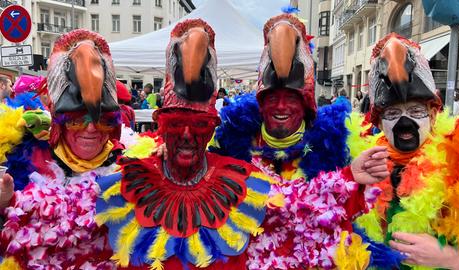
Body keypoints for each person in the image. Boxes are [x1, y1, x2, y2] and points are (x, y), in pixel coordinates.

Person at [209, 14, 391, 269]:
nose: (281, 106)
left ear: (306, 104)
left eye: (291, 98)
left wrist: (351, 178)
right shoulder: (233, 142)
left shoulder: (336, 144)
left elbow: (338, 218)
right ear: (260, 104)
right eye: (272, 97)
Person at [96, 18, 271, 269]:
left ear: (211, 128)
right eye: (177, 123)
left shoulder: (246, 184)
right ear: (162, 127)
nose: (187, 134)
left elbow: (305, 228)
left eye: (199, 125)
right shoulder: (124, 182)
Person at [0, 29, 127, 268]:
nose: (91, 130)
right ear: (58, 119)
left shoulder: (129, 163)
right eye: (76, 119)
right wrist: (3, 205)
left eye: (102, 120)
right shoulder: (22, 159)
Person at [354, 33, 459, 269]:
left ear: (433, 115)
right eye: (392, 114)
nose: (404, 122)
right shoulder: (364, 165)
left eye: (415, 110)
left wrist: (448, 257)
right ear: (379, 124)